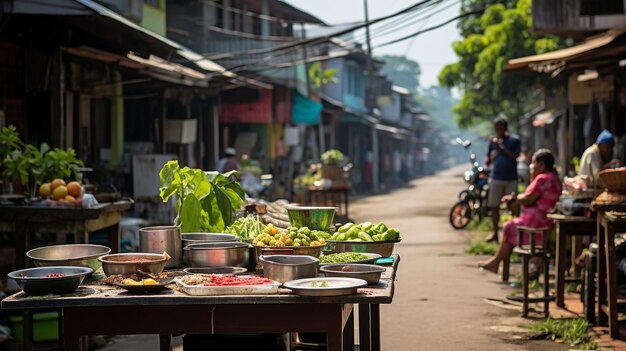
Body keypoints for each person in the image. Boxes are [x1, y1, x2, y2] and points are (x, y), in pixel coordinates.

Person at [478, 149, 562, 273]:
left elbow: (528, 198)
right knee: (511, 225)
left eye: (533, 163)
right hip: (546, 225)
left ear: (542, 165)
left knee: (508, 226)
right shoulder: (555, 179)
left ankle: (496, 262)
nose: (531, 166)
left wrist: (514, 198)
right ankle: (496, 262)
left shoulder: (542, 178)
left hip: (535, 226)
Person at [484, 116, 521, 242]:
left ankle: (514, 236)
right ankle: (495, 234)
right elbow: (488, 160)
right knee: (494, 207)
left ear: (505, 128)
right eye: (496, 128)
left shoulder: (514, 140)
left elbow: (515, 156)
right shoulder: (492, 142)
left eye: (500, 128)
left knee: (513, 206)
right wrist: (490, 158)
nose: (498, 130)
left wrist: (501, 148)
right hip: (496, 178)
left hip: (511, 178)